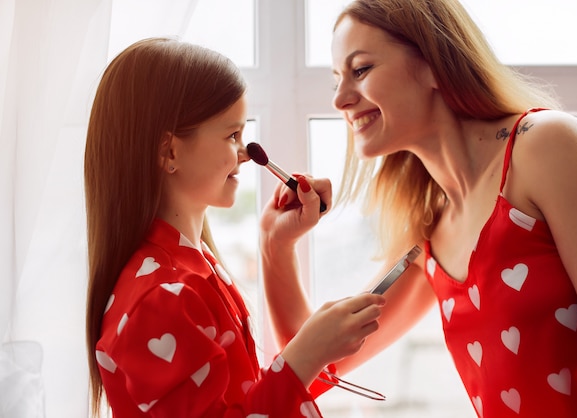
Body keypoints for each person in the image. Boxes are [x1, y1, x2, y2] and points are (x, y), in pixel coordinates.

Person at [259, 1, 577, 417]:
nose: (341, 99)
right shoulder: (431, 236)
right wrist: (276, 243)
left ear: (434, 63)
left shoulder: (545, 146)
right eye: (335, 81)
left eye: (360, 70)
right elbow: (319, 364)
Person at [84, 37, 386, 417]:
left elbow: (238, 402)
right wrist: (305, 356)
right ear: (170, 152)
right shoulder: (160, 299)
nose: (246, 154)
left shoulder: (196, 267)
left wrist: (278, 241)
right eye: (232, 135)